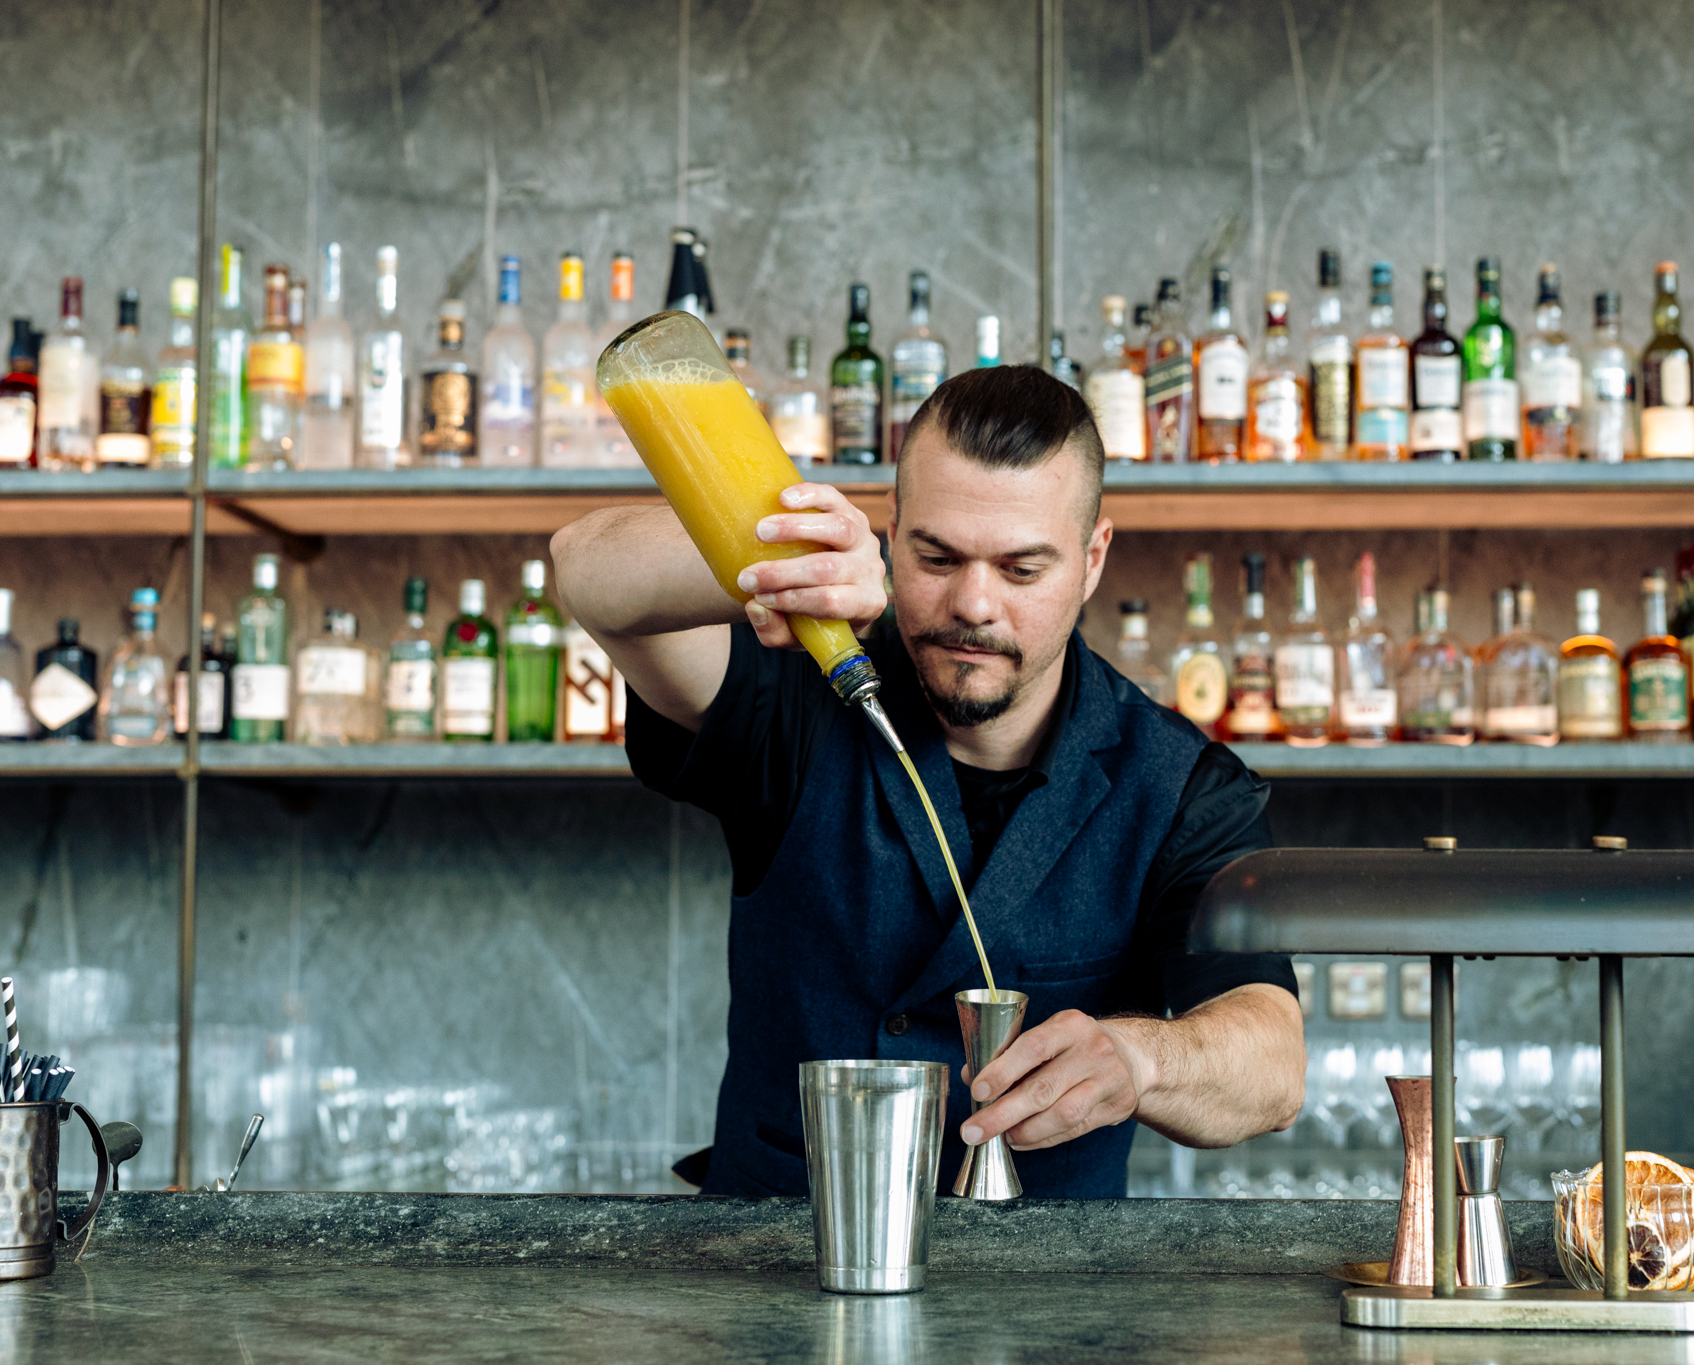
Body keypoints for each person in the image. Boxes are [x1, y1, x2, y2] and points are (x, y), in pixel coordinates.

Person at [552, 363, 1306, 1197]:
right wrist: (777, 548)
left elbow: (1272, 1063)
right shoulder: (798, 691)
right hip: (771, 1277)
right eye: (937, 556)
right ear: (891, 530)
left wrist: (1138, 1055)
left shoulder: (1177, 785)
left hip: (1053, 1303)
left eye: (1022, 569)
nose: (973, 604)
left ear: (1092, 561)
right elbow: (586, 569)